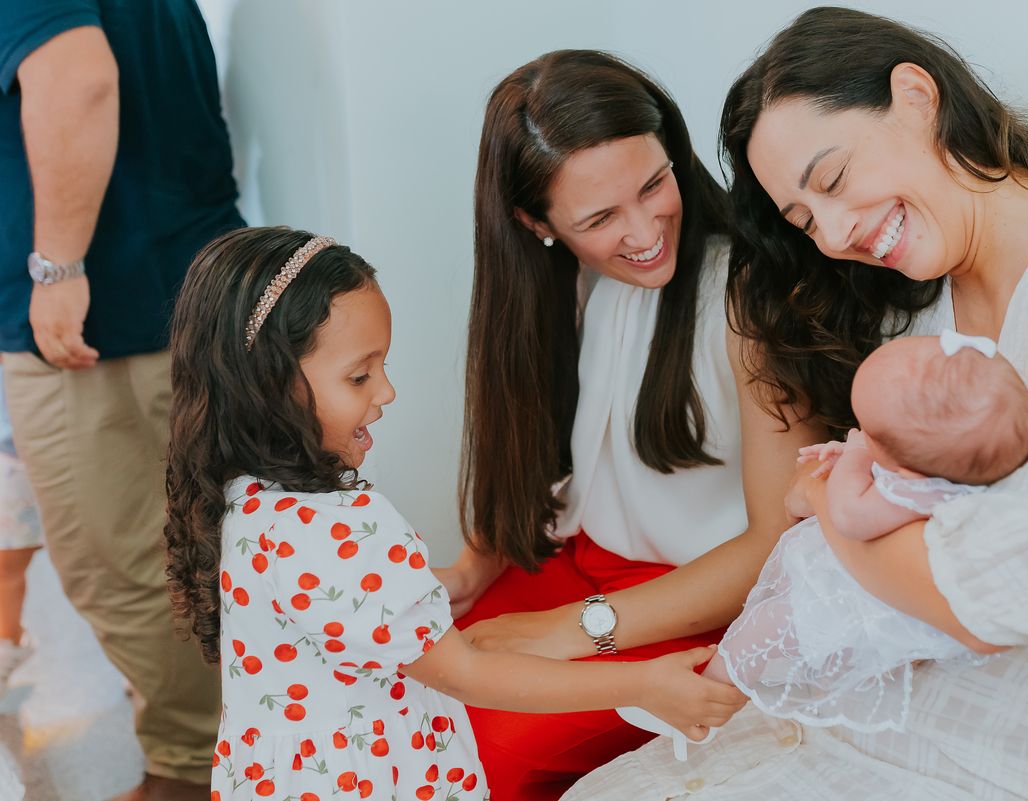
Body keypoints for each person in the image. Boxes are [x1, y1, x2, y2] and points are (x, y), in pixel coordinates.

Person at [567, 7, 1028, 800]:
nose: (834, 234)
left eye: (831, 180)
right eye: (803, 220)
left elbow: (1018, 596)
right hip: (840, 727)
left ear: (915, 95)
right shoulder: (918, 302)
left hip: (996, 767)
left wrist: (833, 502)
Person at [162, 227, 746, 799]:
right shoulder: (342, 527)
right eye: (360, 375)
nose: (386, 392)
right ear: (268, 385)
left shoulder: (238, 496)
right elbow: (467, 675)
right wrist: (644, 684)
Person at [439, 50, 821, 800]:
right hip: (577, 564)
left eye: (654, 184)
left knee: (487, 750)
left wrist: (571, 628)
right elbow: (547, 463)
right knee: (394, 697)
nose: (646, 229)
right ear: (536, 225)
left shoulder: (744, 297)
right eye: (600, 217)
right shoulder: (566, 284)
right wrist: (468, 569)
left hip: (692, 602)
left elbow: (779, 536)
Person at [0, 1, 245, 797]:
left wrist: (58, 269)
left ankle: (190, 770)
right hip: (172, 281)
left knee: (128, 565)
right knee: (187, 546)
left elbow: (78, 79)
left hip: (105, 313)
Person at [708, 332, 1028, 735]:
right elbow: (887, 463)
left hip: (853, 598)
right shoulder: (950, 468)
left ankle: (714, 686)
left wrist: (857, 453)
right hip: (885, 602)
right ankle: (817, 702)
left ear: (910, 469)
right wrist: (860, 451)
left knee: (762, 627)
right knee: (835, 672)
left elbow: (847, 514)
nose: (857, 431)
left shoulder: (916, 491)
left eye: (868, 429)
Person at [0, 369, 41, 701]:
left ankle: (7, 649)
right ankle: (8, 648)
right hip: (14, 454)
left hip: (18, 454)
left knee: (5, 569)